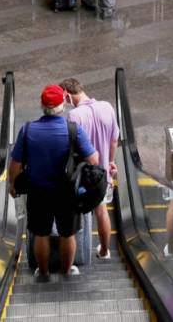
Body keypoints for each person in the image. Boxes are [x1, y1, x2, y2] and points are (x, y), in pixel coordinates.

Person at [8, 85, 98, 282]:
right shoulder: (73, 129)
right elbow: (93, 160)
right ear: (62, 105)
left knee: (41, 233)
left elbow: (14, 164)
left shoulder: (27, 130)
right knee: (68, 233)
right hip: (67, 192)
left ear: (42, 105)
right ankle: (67, 271)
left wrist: (12, 185)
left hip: (37, 191)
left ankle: (44, 272)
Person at [62, 78, 119, 260]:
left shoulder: (74, 116)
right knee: (101, 211)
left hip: (83, 174)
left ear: (68, 96)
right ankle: (104, 251)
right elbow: (114, 140)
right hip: (102, 173)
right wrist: (110, 161)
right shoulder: (107, 107)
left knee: (78, 213)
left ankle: (78, 255)